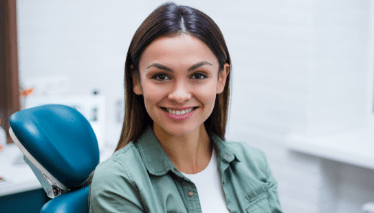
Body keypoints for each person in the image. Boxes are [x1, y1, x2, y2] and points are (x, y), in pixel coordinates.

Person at [87, 2, 283, 212]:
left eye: (198, 75)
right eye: (161, 76)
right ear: (136, 80)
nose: (179, 96)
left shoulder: (254, 163)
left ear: (221, 78)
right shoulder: (117, 182)